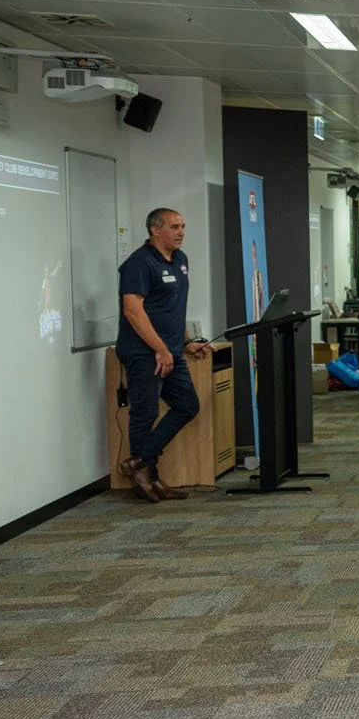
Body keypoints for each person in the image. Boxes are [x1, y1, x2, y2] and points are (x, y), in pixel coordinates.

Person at [115, 208, 209, 502]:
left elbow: (174, 308)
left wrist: (187, 342)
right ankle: (149, 478)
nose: (181, 232)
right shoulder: (139, 263)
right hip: (144, 352)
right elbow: (133, 310)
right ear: (155, 230)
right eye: (174, 227)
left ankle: (140, 462)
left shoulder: (180, 260)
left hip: (170, 351)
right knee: (145, 413)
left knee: (187, 405)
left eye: (183, 226)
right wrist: (159, 348)